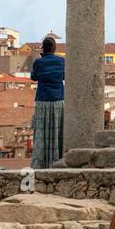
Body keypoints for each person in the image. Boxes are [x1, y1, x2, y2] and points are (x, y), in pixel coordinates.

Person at [29, 36, 65, 168]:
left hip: (42, 100)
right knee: (57, 132)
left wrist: (41, 58)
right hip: (58, 100)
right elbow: (65, 76)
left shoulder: (39, 62)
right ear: (55, 48)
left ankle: (40, 163)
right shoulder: (62, 61)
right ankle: (57, 160)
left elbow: (33, 77)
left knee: (42, 133)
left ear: (43, 48)